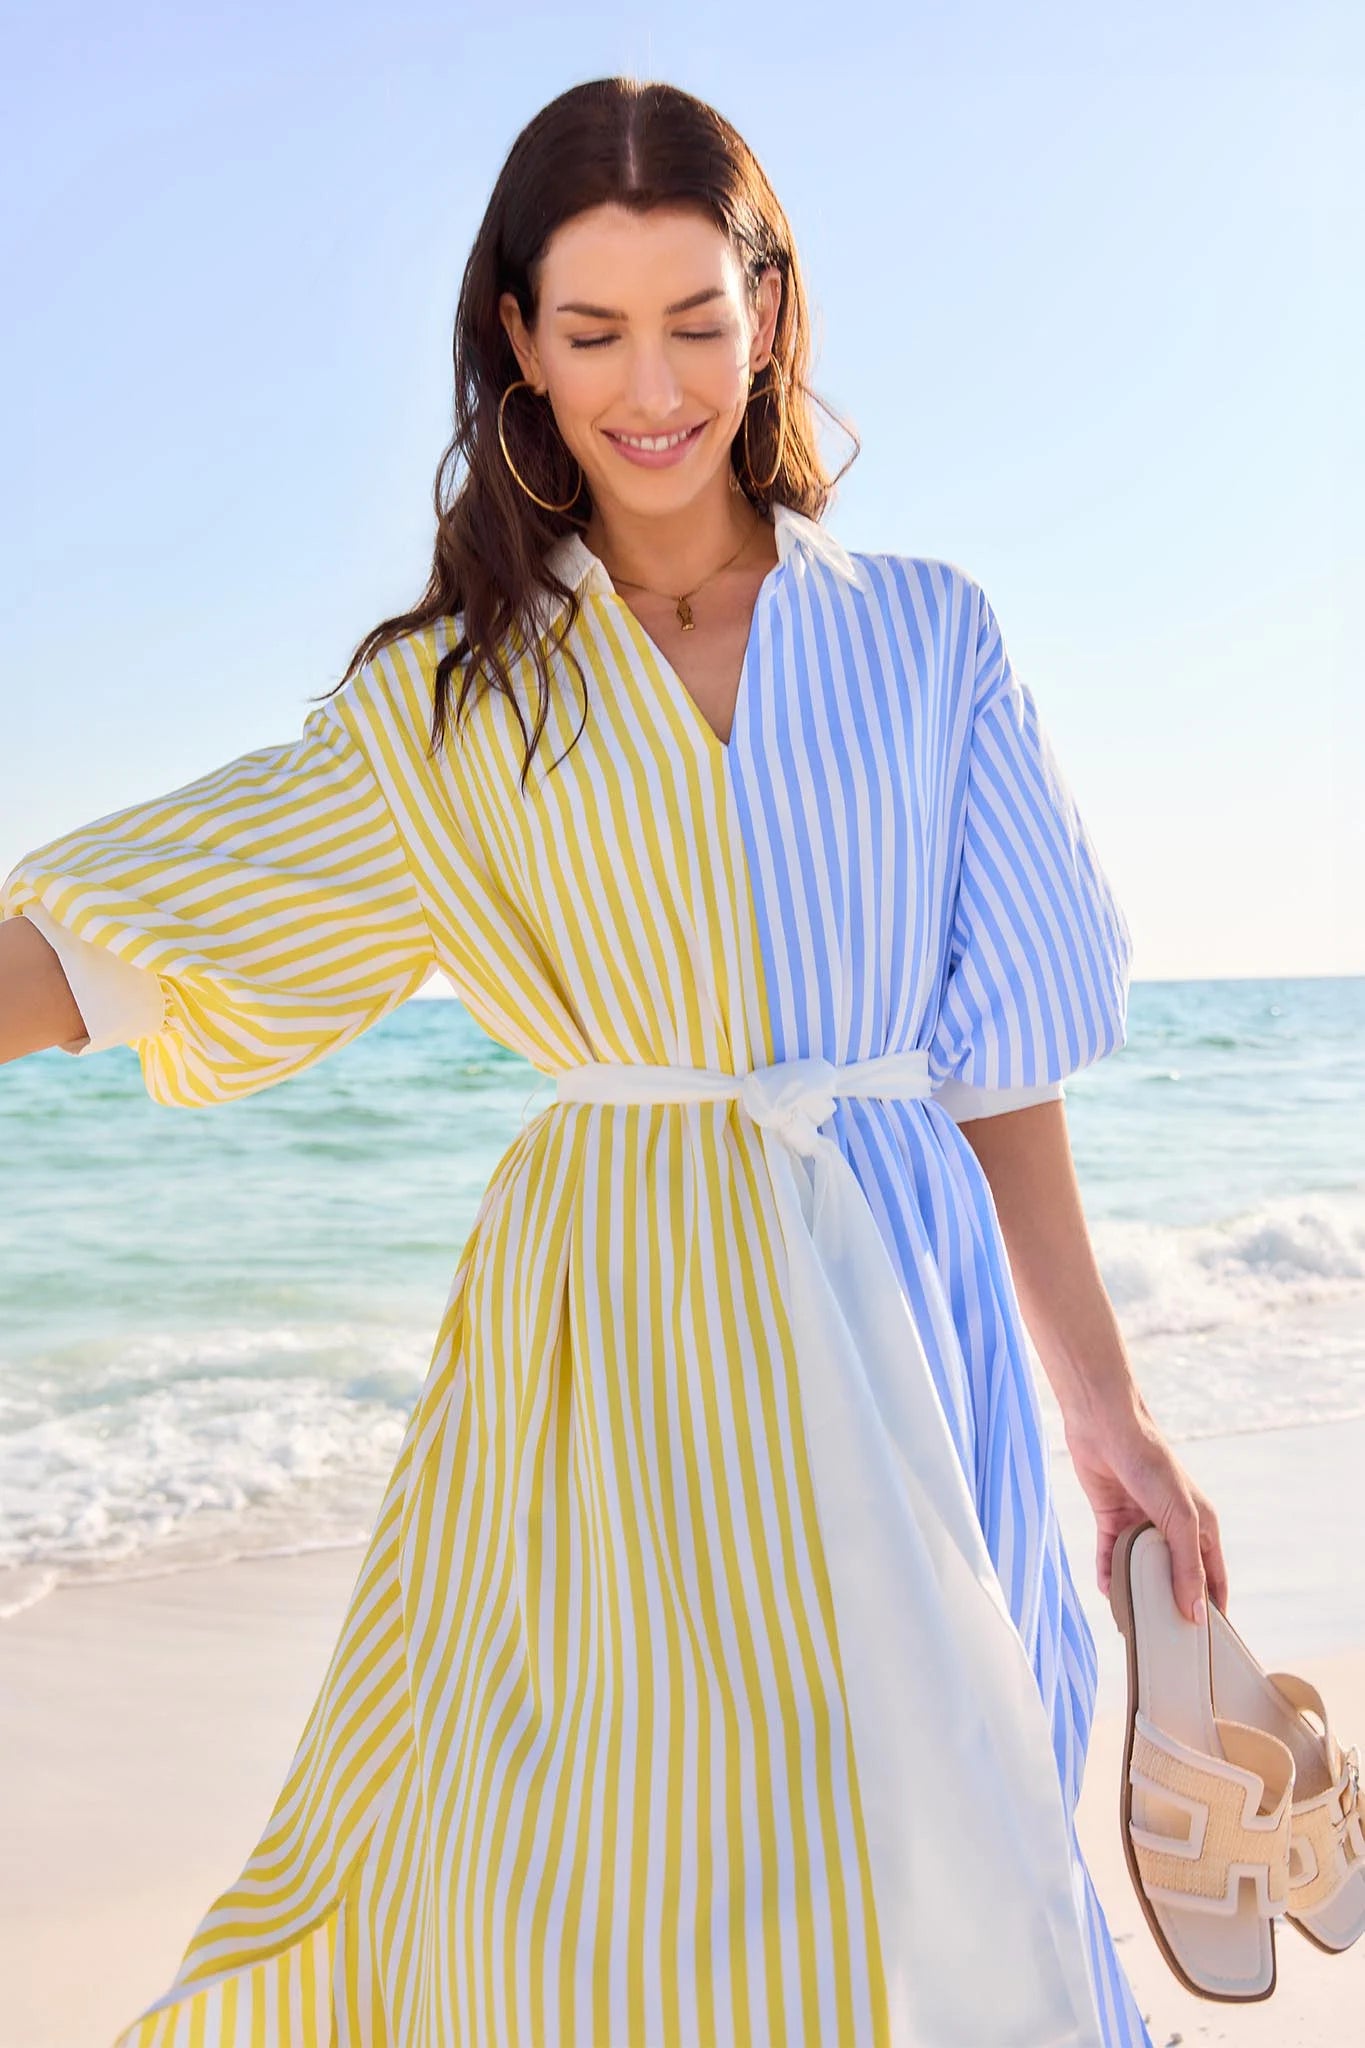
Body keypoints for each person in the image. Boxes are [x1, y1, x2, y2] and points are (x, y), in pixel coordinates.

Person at [0, 75, 1228, 2048]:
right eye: (590, 333)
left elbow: (998, 1069)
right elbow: (120, 941)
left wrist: (1104, 1415)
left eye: (692, 321)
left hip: (909, 1332)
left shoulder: (926, 640)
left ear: (766, 311)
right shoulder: (449, 700)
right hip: (615, 1354)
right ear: (516, 341)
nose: (649, 386)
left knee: (948, 1865)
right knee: (602, 1883)